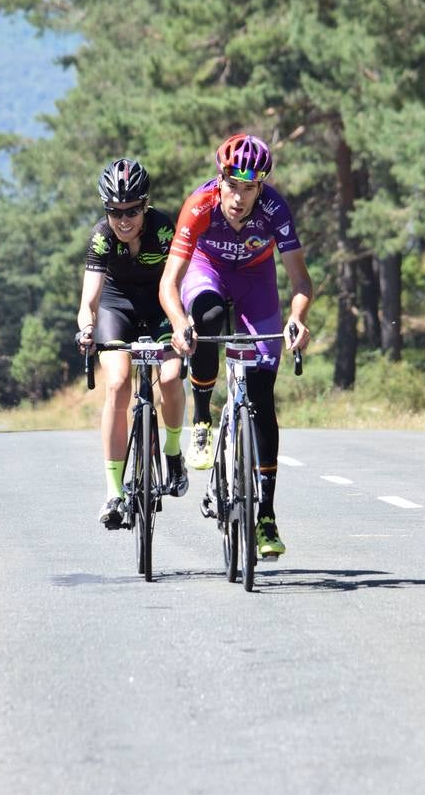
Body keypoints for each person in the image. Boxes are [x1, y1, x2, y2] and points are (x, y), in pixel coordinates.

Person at [160, 133, 312, 559]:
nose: (239, 198)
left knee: (262, 397)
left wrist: (297, 318)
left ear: (260, 186)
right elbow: (170, 282)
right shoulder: (200, 205)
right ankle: (203, 418)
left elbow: (301, 282)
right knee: (205, 321)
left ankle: (266, 514)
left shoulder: (274, 210)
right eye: (232, 185)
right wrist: (177, 323)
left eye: (250, 188)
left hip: (256, 282)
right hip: (206, 272)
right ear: (220, 178)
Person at [77, 158, 189, 529]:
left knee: (171, 377)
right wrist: (87, 328)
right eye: (114, 211)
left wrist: (182, 323)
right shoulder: (101, 237)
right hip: (117, 305)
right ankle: (113, 491)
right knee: (117, 383)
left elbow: (180, 281)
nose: (124, 220)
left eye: (133, 211)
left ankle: (172, 453)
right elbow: (89, 301)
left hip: (159, 304)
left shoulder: (163, 228)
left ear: (146, 205)